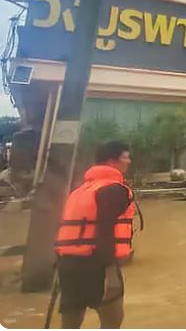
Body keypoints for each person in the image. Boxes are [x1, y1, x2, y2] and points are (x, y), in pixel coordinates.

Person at [55, 141, 134, 329]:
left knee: (71, 322)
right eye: (126, 157)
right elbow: (104, 230)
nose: (129, 161)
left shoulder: (79, 191)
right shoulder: (114, 189)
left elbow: (65, 230)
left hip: (68, 264)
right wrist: (110, 272)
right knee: (112, 319)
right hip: (96, 263)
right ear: (112, 161)